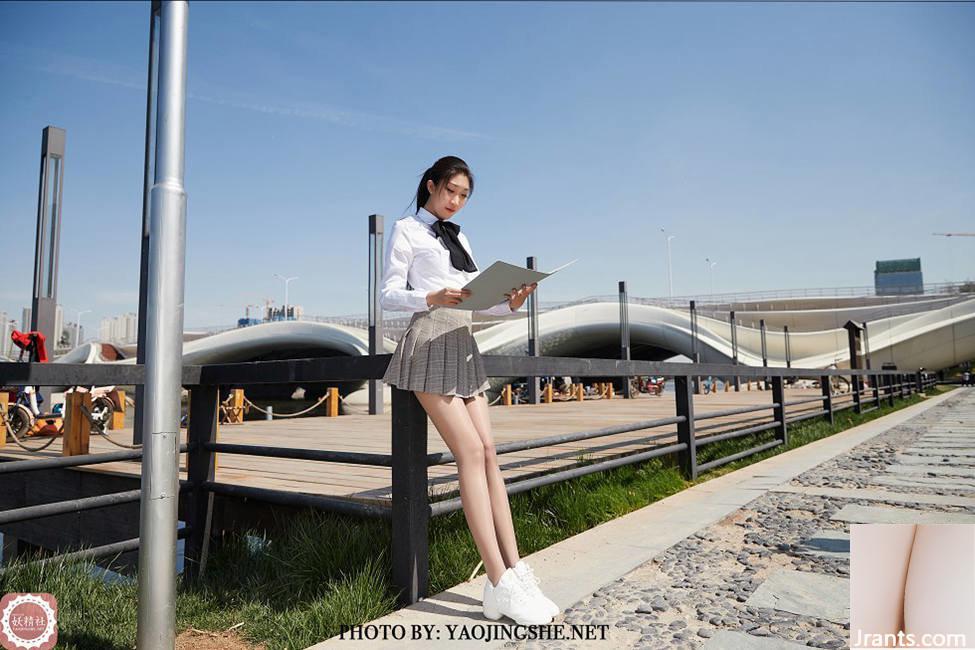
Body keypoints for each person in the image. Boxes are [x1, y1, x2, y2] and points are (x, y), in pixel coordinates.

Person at [379, 156, 554, 626]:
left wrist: (510, 302)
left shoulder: (461, 237)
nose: (455, 201)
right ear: (431, 185)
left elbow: (473, 304)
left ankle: (516, 572)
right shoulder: (406, 229)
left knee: (491, 452)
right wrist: (429, 296)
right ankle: (496, 581)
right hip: (429, 342)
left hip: (463, 342)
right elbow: (388, 293)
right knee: (471, 453)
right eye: (450, 191)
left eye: (463, 196)